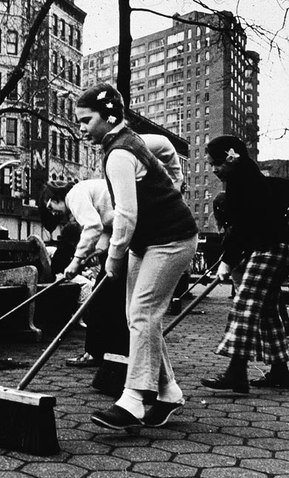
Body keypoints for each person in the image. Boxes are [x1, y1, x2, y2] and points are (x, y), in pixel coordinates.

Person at [76, 83, 199, 431]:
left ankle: (133, 399)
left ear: (109, 116)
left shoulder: (119, 153)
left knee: (143, 313)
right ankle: (168, 391)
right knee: (138, 316)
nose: (82, 128)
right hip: (147, 242)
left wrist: (112, 258)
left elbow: (125, 214)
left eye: (86, 120)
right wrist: (174, 180)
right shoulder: (132, 140)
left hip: (172, 239)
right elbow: (165, 148)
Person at [201, 135, 289, 393]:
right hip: (274, 249)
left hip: (267, 250)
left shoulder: (243, 183)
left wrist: (227, 262)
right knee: (266, 313)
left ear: (233, 159)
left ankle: (236, 372)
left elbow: (241, 227)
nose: (215, 169)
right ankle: (280, 372)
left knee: (245, 305)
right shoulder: (247, 179)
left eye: (218, 163)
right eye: (211, 164)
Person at [40, 180, 121, 369]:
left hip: (130, 237)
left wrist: (76, 260)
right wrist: (98, 250)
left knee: (99, 300)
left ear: (56, 198)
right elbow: (106, 226)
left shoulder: (74, 196)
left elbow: (93, 226)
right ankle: (105, 352)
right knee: (105, 297)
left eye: (50, 206)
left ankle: (96, 352)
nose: (53, 212)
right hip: (127, 234)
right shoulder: (88, 190)